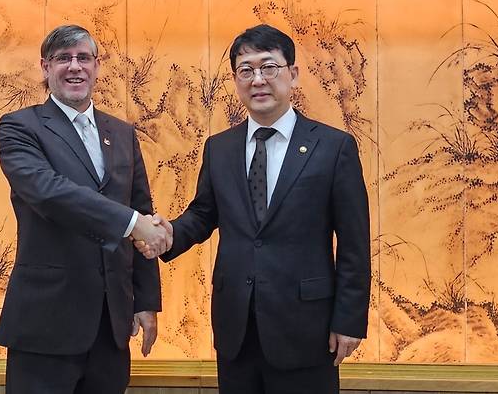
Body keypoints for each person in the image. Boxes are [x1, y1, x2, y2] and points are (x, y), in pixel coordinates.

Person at [138, 24, 371, 394]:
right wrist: (168, 236)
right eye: (246, 70)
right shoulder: (220, 148)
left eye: (269, 67)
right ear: (236, 80)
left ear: (292, 74)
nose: (257, 79)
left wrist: (351, 319)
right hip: (236, 327)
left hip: (306, 328)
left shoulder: (333, 146)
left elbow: (355, 244)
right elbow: (203, 215)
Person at [0, 24, 170, 394]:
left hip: (111, 325)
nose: (75, 67)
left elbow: (141, 209)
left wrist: (147, 301)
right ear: (45, 67)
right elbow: (49, 192)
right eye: (63, 59)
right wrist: (133, 223)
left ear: (96, 66)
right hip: (46, 325)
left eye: (83, 58)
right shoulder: (19, 127)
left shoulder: (122, 133)